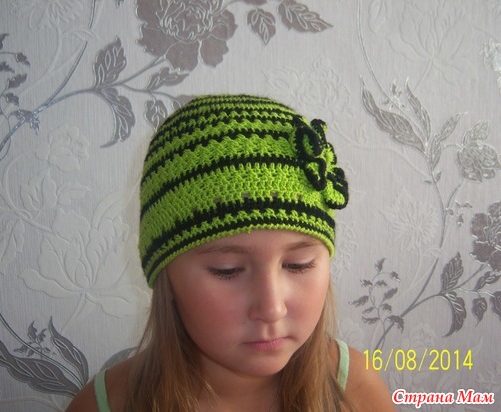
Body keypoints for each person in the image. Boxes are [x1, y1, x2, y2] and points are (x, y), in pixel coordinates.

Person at [67, 94, 395, 411]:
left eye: (298, 265)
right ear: (167, 276)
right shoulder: (106, 405)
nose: (272, 308)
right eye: (228, 270)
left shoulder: (355, 391)